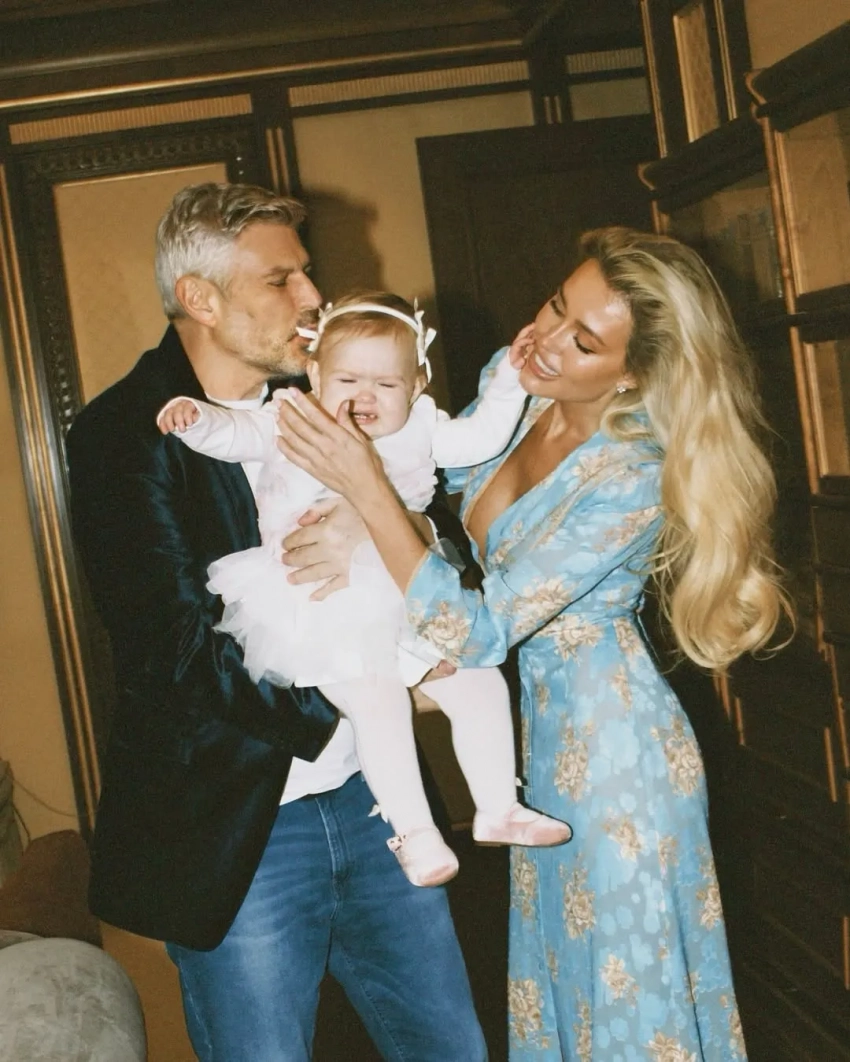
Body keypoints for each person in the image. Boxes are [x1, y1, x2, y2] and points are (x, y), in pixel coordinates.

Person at [277, 226, 792, 1060]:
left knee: (628, 1021)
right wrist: (363, 517)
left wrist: (366, 495)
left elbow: (478, 630)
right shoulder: (517, 388)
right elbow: (428, 494)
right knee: (567, 1005)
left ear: (633, 374)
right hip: (536, 747)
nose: (546, 339)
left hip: (620, 765)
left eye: (583, 341)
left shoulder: (633, 473)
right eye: (557, 305)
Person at [65, 182, 489, 1062]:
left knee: (450, 1047)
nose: (312, 298)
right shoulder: (126, 433)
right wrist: (360, 704)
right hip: (241, 829)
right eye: (281, 279)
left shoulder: (343, 393)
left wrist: (375, 516)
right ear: (200, 298)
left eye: (308, 274)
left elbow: (450, 540)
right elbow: (173, 648)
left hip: (379, 803)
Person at [156, 291, 571, 888]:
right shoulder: (293, 420)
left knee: (478, 680)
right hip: (320, 603)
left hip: (409, 596)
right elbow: (237, 435)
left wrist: (508, 380)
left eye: (387, 384)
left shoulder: (421, 428)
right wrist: (198, 420)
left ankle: (498, 807)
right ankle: (417, 835)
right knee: (378, 703)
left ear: (417, 384)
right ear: (315, 374)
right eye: (348, 380)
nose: (364, 398)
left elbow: (482, 439)